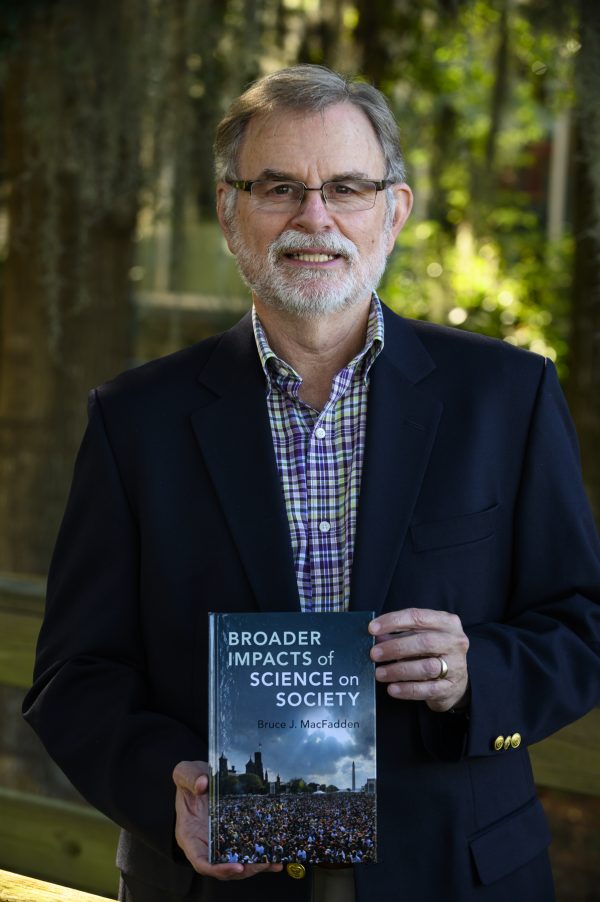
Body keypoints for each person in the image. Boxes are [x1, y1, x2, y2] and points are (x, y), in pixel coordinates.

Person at [23, 64, 600, 902]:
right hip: (217, 880)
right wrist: (167, 791)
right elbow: (76, 676)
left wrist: (481, 672)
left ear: (393, 212)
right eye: (280, 188)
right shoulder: (135, 421)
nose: (315, 217)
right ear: (230, 212)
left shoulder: (506, 398)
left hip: (454, 875)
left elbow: (582, 624)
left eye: (348, 187)